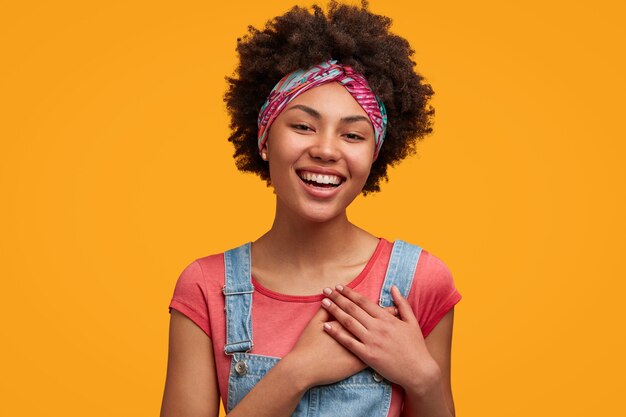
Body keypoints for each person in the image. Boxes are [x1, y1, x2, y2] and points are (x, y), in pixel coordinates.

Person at [160, 2, 462, 416]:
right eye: (303, 126)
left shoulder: (418, 281)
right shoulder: (205, 288)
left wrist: (423, 377)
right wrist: (297, 371)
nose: (325, 149)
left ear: (375, 155)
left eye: (353, 134)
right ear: (265, 139)